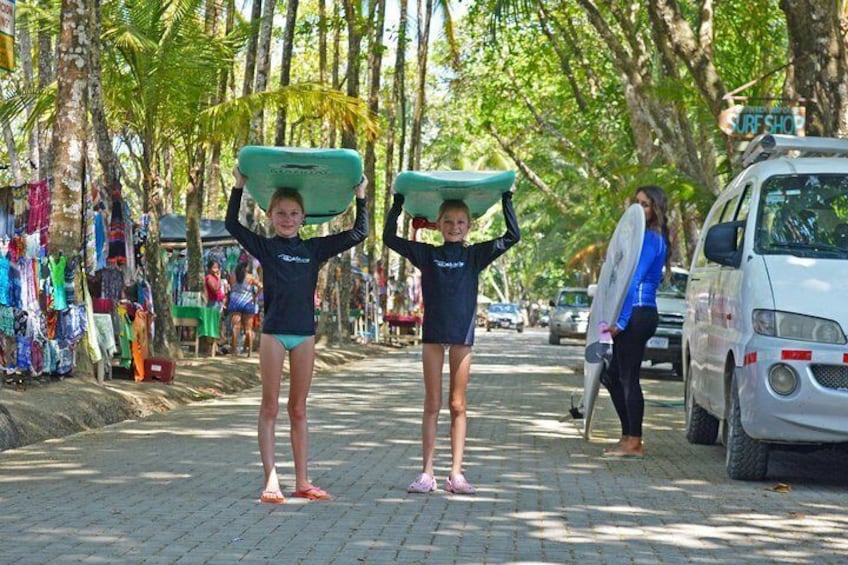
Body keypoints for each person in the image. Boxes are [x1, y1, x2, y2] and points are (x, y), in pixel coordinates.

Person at [226, 167, 368, 504]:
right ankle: (271, 480)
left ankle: (303, 481)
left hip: (304, 335)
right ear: (270, 215)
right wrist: (238, 185)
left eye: (293, 214)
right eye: (281, 213)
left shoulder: (314, 250)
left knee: (299, 409)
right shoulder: (265, 246)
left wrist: (361, 194)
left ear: (304, 217)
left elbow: (359, 232)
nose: (287, 219)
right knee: (270, 407)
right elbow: (232, 225)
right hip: (274, 335)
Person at [383, 185, 520, 494]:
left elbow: (512, 236)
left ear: (468, 226)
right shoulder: (428, 255)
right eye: (448, 222)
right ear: (438, 224)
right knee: (431, 403)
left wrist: (506, 199)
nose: (454, 227)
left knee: (457, 404)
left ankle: (456, 474)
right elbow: (390, 238)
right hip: (433, 335)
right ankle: (427, 474)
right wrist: (398, 201)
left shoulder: (475, 255)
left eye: (460, 222)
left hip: (462, 337)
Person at [601, 185, 670, 459]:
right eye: (637, 203)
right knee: (612, 375)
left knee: (628, 378)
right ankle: (628, 436)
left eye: (646, 204)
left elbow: (634, 280)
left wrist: (621, 320)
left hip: (638, 314)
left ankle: (635, 441)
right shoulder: (641, 238)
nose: (640, 208)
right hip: (634, 313)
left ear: (656, 210)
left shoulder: (652, 239)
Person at [227, 261, 261, 357]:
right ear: (247, 268)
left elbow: (232, 286)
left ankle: (234, 351)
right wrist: (255, 296)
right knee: (248, 329)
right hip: (247, 302)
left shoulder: (233, 275)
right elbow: (261, 286)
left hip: (235, 302)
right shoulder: (250, 277)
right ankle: (249, 353)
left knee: (235, 327)